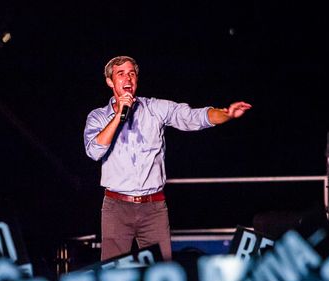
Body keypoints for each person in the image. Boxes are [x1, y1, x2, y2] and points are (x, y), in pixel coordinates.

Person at [84, 56, 252, 260]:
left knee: (162, 271)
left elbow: (192, 117)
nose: (128, 78)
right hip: (116, 206)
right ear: (110, 81)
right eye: (121, 74)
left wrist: (227, 114)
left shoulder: (155, 108)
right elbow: (94, 151)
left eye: (132, 73)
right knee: (113, 274)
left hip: (153, 207)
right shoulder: (98, 116)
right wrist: (119, 116)